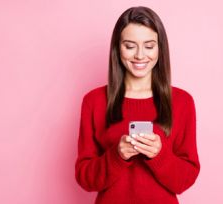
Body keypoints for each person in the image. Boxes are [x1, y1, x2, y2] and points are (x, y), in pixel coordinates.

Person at [75, 6, 200, 204]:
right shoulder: (94, 101)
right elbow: (85, 178)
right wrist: (117, 155)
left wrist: (159, 155)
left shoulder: (182, 102)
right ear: (118, 48)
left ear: (160, 48)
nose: (140, 55)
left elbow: (185, 180)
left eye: (149, 46)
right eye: (130, 46)